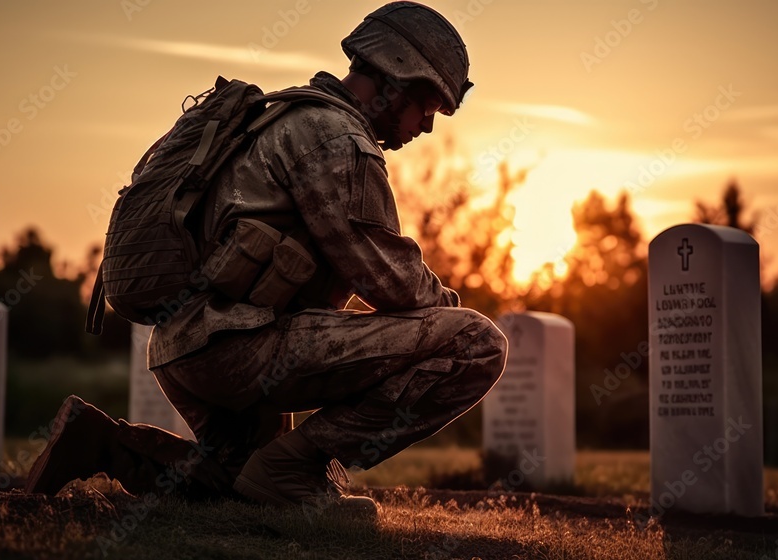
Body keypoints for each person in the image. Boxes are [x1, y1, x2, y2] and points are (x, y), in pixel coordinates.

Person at [25, 1, 507, 514]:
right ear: (397, 80)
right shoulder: (338, 138)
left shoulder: (284, 116)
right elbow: (393, 282)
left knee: (243, 492)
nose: (426, 127)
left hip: (184, 349)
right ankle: (297, 464)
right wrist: (446, 311)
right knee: (476, 343)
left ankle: (98, 443)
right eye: (427, 107)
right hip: (241, 349)